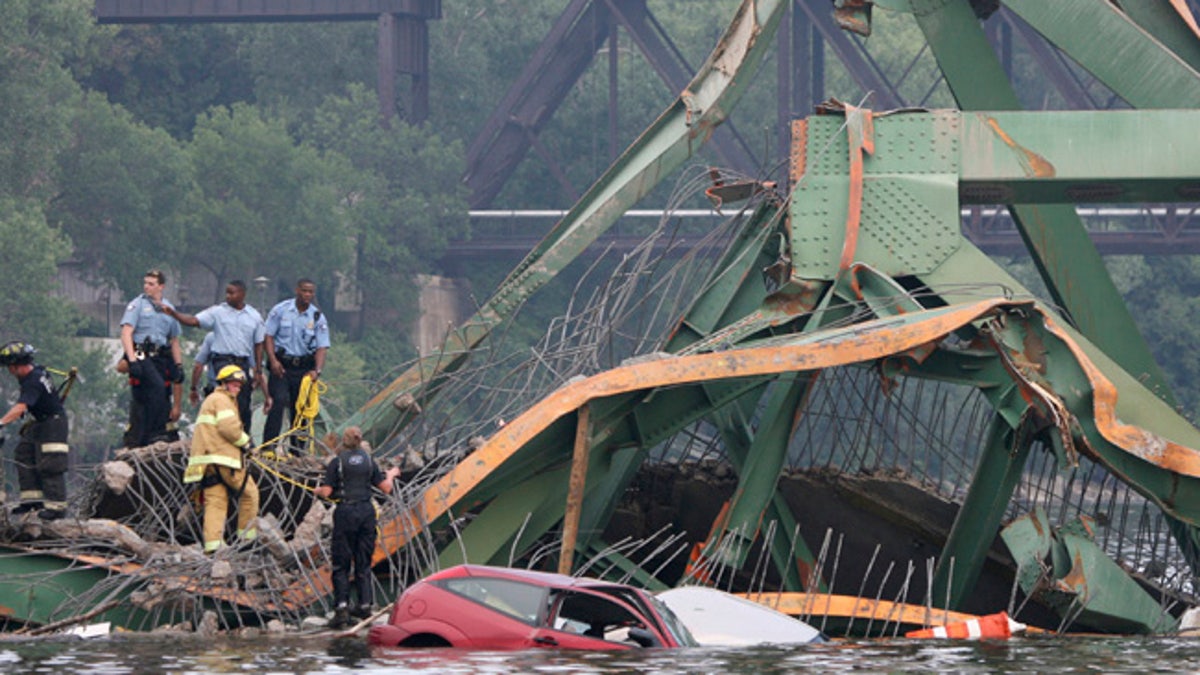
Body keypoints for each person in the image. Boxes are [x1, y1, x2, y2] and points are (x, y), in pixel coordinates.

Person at [314, 426, 400, 628]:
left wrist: (318, 490)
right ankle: (364, 606)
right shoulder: (369, 461)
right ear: (361, 442)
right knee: (363, 562)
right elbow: (386, 488)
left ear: (343, 442)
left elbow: (327, 492)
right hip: (366, 513)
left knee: (341, 563)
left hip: (345, 513)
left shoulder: (338, 462)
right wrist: (392, 474)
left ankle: (342, 608)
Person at [161, 280, 269, 438]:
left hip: (242, 363)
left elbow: (259, 345)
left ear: (242, 294)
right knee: (225, 398)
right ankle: (220, 436)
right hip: (223, 362)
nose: (228, 296)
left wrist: (258, 371)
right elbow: (193, 321)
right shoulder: (218, 312)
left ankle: (244, 440)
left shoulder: (254, 316)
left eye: (232, 293)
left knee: (244, 403)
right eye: (227, 292)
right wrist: (174, 314)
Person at [183, 365, 259, 554]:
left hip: (206, 462)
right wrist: (246, 443)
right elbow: (228, 428)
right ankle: (247, 539)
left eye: (240, 385)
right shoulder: (222, 400)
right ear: (223, 383)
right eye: (235, 384)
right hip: (224, 459)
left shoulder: (210, 400)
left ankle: (213, 546)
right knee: (250, 493)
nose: (238, 388)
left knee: (215, 501)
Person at [0, 342, 70, 520]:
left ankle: (56, 508)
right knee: (24, 453)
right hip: (40, 423)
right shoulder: (35, 373)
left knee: (50, 464)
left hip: (53, 425)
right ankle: (32, 500)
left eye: (10, 367)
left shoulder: (33, 381)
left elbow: (20, 408)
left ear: (17, 365)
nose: (9, 371)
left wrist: (1, 423)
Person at [263, 278, 330, 450]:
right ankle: (269, 447)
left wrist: (317, 371)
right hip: (281, 367)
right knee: (278, 401)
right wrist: (272, 359)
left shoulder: (317, 317)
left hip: (304, 369)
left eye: (310, 292)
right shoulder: (281, 310)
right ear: (297, 290)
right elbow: (268, 336)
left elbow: (322, 347)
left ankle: (297, 450)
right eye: (304, 290)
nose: (307, 295)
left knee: (300, 410)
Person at [119, 269, 183, 447]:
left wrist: (178, 365)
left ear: (161, 286)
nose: (147, 286)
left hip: (160, 356)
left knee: (164, 394)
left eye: (151, 284)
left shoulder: (168, 308)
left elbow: (174, 340)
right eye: (145, 283)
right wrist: (132, 360)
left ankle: (159, 431)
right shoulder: (137, 305)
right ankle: (152, 433)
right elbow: (126, 333)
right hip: (140, 352)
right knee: (156, 387)